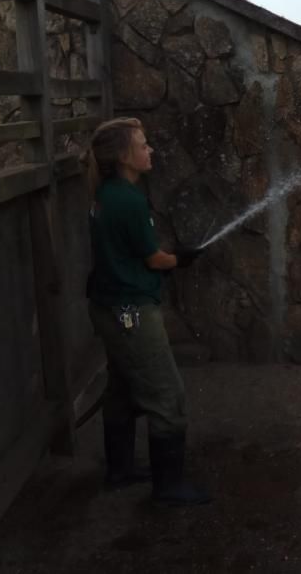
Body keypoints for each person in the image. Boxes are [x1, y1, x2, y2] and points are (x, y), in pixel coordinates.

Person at [84, 117, 210, 506]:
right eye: (142, 145)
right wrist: (180, 259)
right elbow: (154, 259)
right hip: (131, 313)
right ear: (125, 156)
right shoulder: (129, 200)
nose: (149, 149)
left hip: (108, 307)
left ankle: (119, 472)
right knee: (167, 397)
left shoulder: (107, 193)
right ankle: (168, 488)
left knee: (122, 390)